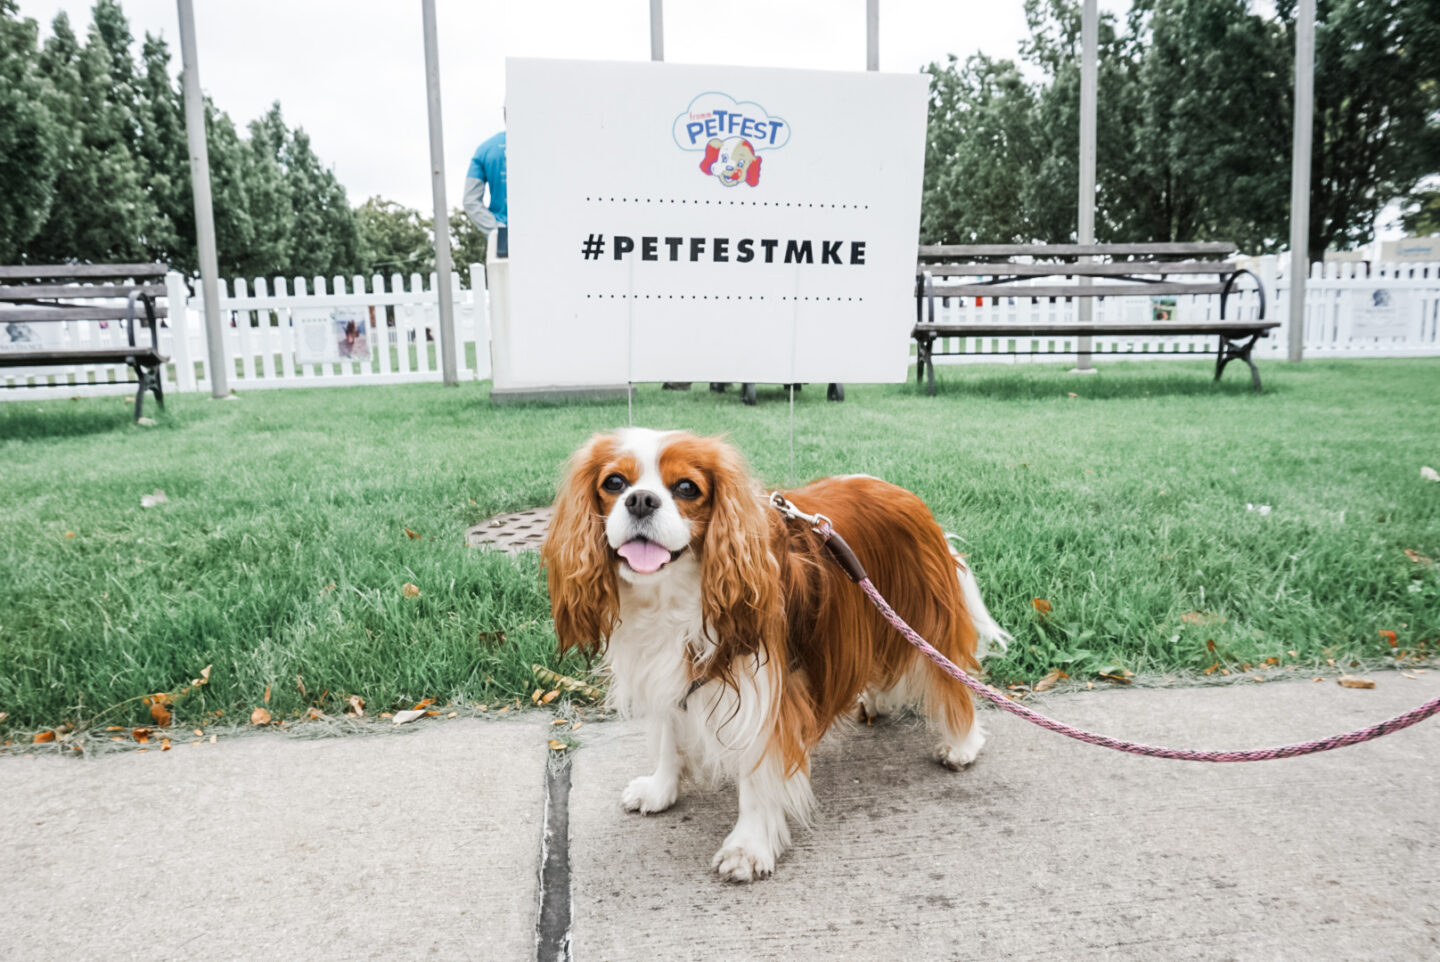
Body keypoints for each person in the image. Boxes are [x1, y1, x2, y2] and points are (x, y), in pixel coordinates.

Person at [464, 128, 507, 258]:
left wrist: (496, 229)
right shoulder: (542, 143)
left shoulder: (486, 149)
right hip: (542, 234)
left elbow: (470, 200)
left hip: (502, 241)